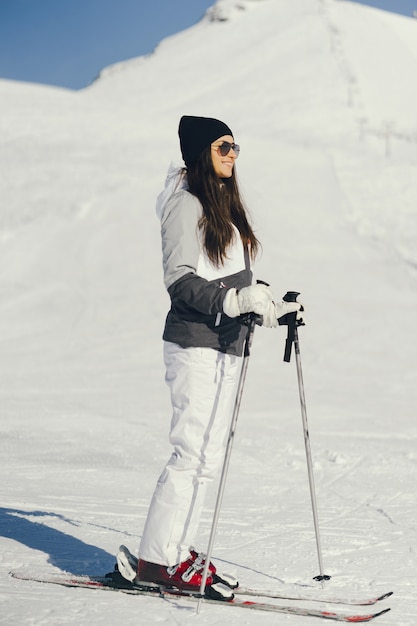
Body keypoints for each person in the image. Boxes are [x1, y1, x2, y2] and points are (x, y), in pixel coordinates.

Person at [124, 116, 301, 594]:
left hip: (227, 345)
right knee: (191, 454)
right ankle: (158, 561)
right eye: (224, 146)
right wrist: (232, 301)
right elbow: (180, 282)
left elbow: (229, 279)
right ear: (202, 151)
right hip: (194, 343)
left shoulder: (220, 203)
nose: (233, 154)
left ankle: (177, 551)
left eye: (236, 147)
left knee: (208, 458)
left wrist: (265, 303)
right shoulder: (184, 203)